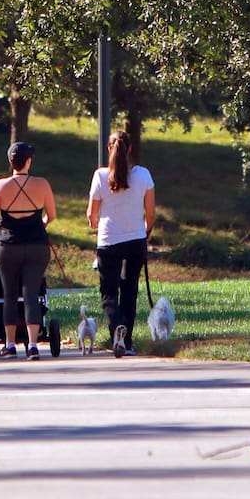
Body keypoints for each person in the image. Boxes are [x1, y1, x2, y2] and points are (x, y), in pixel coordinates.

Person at [86, 131, 155, 358]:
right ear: (131, 148)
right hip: (135, 240)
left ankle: (117, 326)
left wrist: (94, 222)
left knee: (108, 291)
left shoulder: (100, 176)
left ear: (109, 149)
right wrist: (145, 230)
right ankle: (127, 341)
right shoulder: (143, 174)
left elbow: (92, 214)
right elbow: (151, 214)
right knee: (129, 290)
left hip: (109, 241)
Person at [0, 142, 56, 360]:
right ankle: (33, 345)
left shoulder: (0, 186)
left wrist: (0, 223)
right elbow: (51, 216)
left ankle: (10, 344)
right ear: (28, 161)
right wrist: (38, 225)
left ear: (10, 162)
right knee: (31, 293)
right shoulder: (42, 184)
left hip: (8, 246)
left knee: (9, 294)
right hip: (36, 245)